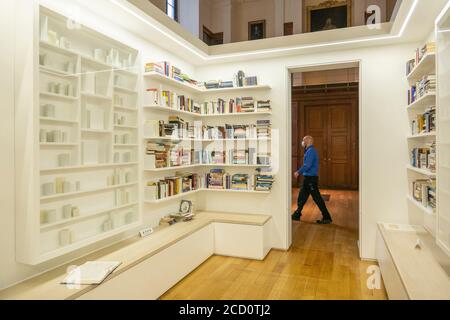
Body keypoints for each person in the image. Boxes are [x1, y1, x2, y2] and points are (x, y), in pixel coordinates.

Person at [292, 136, 333, 224]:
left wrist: (298, 172)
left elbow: (307, 165)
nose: (302, 142)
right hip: (307, 179)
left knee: (317, 198)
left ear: (307, 141)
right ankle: (297, 214)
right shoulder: (309, 151)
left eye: (303, 140)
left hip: (311, 179)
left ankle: (327, 217)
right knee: (302, 196)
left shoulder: (311, 152)